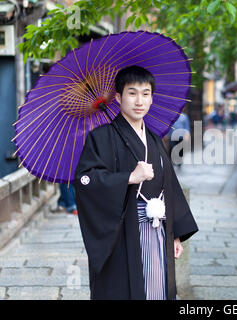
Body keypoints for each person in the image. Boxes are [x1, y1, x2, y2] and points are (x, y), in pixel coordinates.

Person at [74, 65, 198, 300]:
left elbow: (170, 186)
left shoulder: (154, 139)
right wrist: (128, 178)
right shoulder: (100, 138)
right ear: (119, 97)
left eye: (145, 93)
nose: (139, 101)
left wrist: (175, 234)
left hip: (158, 229)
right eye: (132, 93)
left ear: (152, 98)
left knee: (157, 288)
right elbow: (86, 182)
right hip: (122, 233)